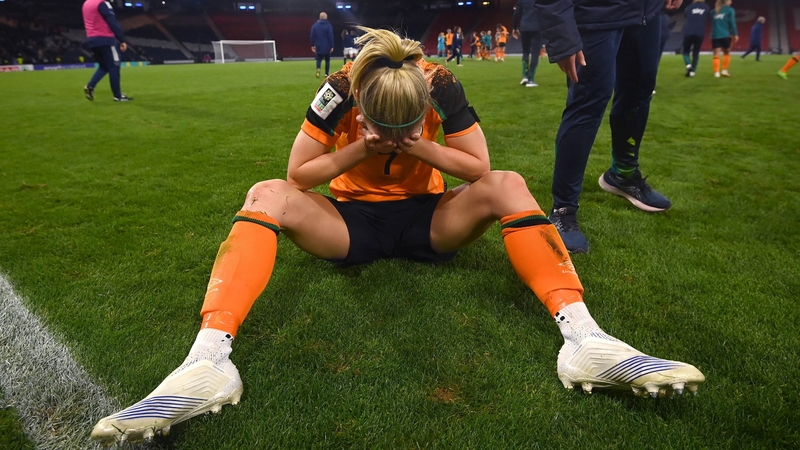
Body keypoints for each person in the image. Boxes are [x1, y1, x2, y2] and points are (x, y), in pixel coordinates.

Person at [89, 27, 705, 446]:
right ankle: (207, 362)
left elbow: (480, 169)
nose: (395, 133)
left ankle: (586, 341)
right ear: (360, 99)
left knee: (511, 184)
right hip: (349, 226)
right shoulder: (336, 90)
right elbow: (297, 173)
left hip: (429, 219)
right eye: (385, 125)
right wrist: (360, 146)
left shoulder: (441, 83)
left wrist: (423, 145)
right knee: (264, 195)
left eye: (405, 124)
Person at [534, 0, 683, 253]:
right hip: (596, 12)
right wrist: (562, 35)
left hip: (646, 12)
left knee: (639, 93)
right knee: (588, 102)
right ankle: (563, 209)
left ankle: (622, 174)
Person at [82, 0, 132, 102]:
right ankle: (117, 96)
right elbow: (112, 22)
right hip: (105, 39)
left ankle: (90, 86)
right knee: (114, 65)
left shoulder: (86, 3)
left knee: (104, 66)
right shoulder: (102, 3)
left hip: (92, 39)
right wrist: (122, 39)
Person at [513, 0, 544, 87]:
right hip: (537, 27)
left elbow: (516, 14)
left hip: (524, 27)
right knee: (535, 53)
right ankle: (531, 79)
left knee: (525, 51)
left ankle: (525, 76)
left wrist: (514, 28)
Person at [682, 0, 710, 77]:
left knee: (685, 51)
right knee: (696, 52)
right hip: (700, 32)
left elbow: (685, 16)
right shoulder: (706, 7)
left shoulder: (689, 7)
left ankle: (688, 64)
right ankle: (693, 71)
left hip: (688, 31)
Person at [711, 0, 737, 78]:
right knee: (727, 53)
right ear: (725, 1)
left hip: (715, 35)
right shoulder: (730, 10)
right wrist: (735, 34)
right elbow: (732, 22)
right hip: (726, 34)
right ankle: (724, 70)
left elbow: (712, 22)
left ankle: (716, 73)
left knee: (716, 55)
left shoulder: (713, 11)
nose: (731, 2)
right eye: (730, 0)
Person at [310, 11, 334, 78]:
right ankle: (326, 73)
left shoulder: (315, 26)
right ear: (326, 17)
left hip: (319, 45)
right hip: (327, 46)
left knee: (318, 59)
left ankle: (318, 69)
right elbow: (330, 36)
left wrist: (312, 45)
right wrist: (332, 45)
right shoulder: (328, 26)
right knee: (327, 60)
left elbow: (312, 36)